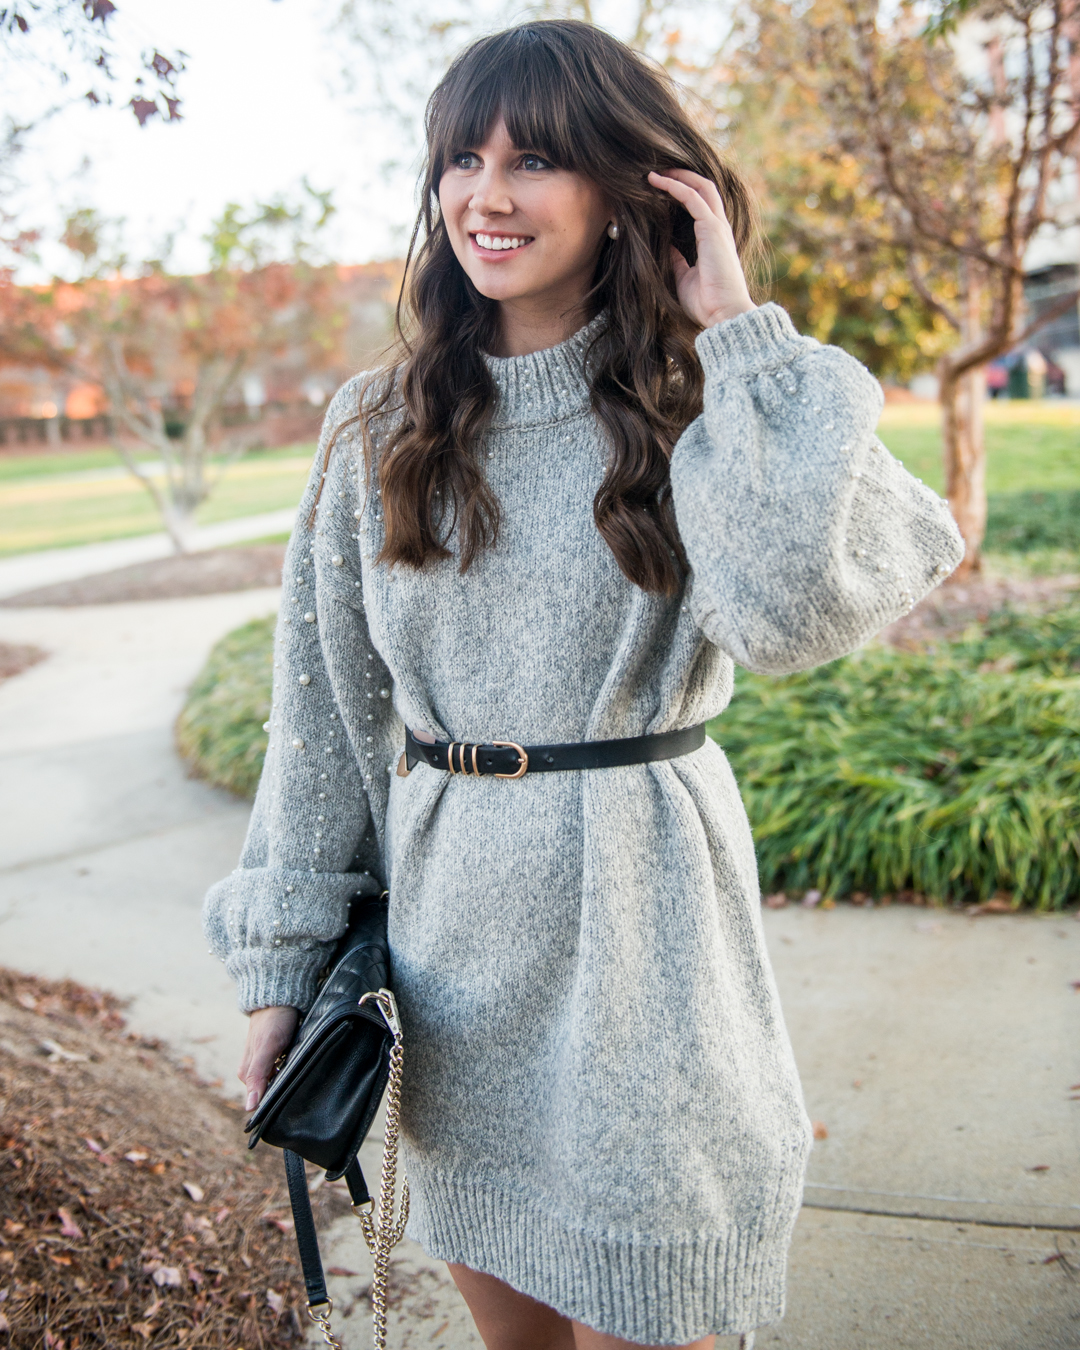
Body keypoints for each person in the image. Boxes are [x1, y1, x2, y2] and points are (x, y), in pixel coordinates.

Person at [204, 20, 963, 1350]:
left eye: (537, 159)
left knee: (652, 1323)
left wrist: (735, 332)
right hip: (458, 965)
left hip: (647, 943)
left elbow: (794, 615)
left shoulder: (704, 401)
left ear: (628, 190)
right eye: (462, 159)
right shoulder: (375, 423)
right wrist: (280, 969)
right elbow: (320, 716)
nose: (485, 196)